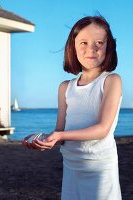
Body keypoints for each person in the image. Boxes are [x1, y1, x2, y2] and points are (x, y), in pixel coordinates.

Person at [22, 16, 122, 200]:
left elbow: (102, 129)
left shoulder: (111, 81)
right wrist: (45, 140)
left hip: (99, 166)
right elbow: (60, 131)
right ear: (72, 47)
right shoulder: (65, 87)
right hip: (71, 164)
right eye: (83, 42)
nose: (91, 48)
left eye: (99, 42)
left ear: (109, 47)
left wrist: (60, 136)